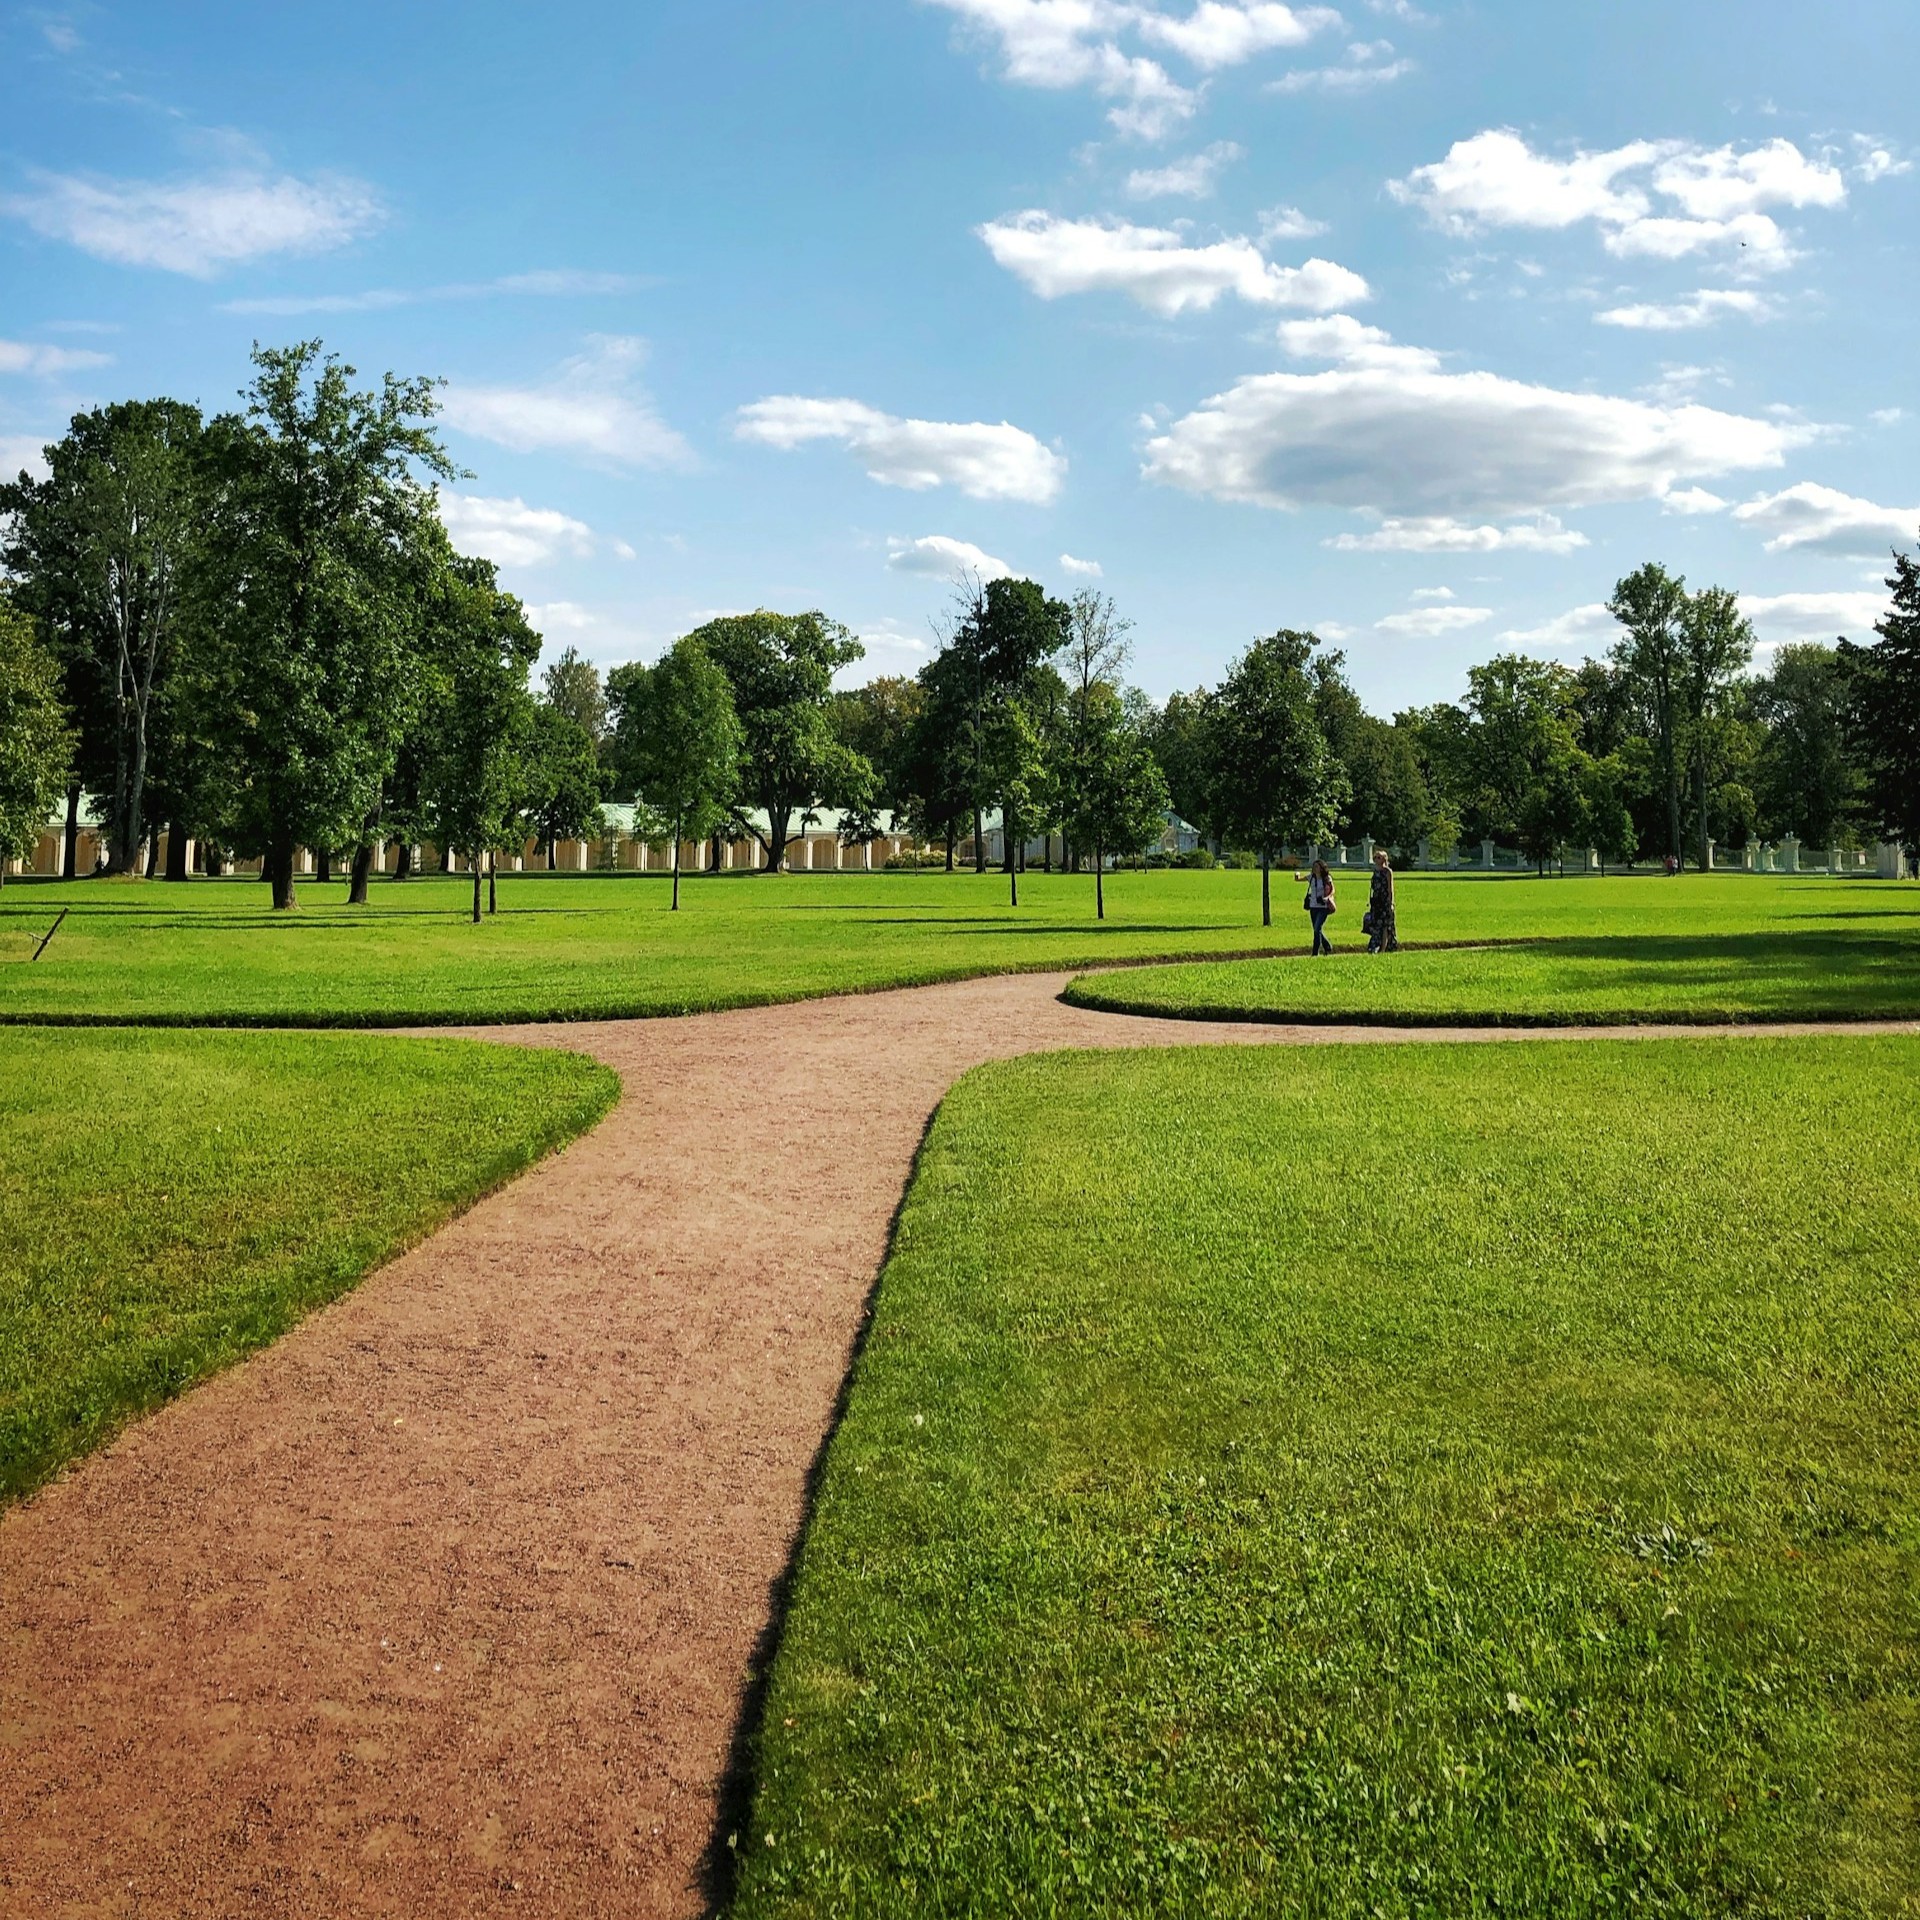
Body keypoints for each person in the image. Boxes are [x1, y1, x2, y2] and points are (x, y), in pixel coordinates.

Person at [1297, 857, 1336, 954]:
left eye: (1317, 867)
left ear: (1322, 868)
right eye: (1314, 867)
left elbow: (1332, 890)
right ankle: (1327, 946)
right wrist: (1296, 874)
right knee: (1316, 929)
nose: (1315, 868)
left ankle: (1315, 952)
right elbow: (1298, 879)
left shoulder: (1327, 878)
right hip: (1313, 906)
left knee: (1317, 928)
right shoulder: (1311, 877)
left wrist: (1327, 897)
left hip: (1323, 907)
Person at [1366, 847, 1398, 953]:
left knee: (1385, 925)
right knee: (1376, 924)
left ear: (1384, 859)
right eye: (1375, 857)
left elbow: (1390, 888)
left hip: (1385, 901)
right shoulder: (1375, 871)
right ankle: (1375, 945)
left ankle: (1383, 948)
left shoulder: (1387, 871)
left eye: (1379, 857)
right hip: (1376, 901)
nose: (1376, 859)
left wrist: (1391, 902)